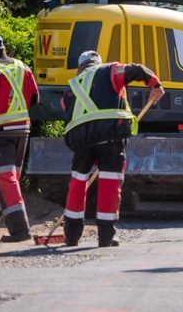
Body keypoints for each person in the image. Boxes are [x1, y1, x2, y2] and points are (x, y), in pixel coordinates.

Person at [61, 50, 165, 247]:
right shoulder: (109, 71)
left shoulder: (72, 86)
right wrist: (155, 85)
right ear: (97, 62)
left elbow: (66, 110)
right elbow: (136, 70)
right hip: (110, 137)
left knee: (78, 183)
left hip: (81, 140)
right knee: (109, 184)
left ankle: (71, 235)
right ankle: (106, 236)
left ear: (80, 67)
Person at [0, 34, 39, 242]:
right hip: (23, 131)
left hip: (1, 132)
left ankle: (20, 230)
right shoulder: (23, 67)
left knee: (5, 179)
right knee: (8, 179)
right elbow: (35, 98)